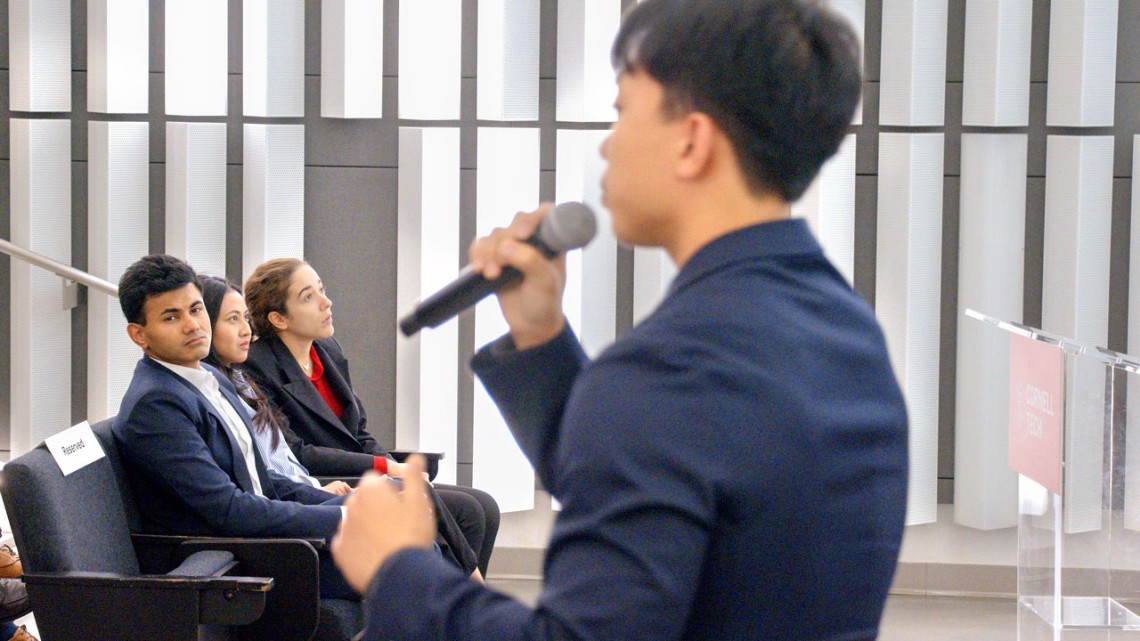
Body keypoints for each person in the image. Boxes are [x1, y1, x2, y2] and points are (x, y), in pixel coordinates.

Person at [331, 1, 909, 640]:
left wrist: (400, 568)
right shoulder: (849, 330)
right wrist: (541, 335)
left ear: (691, 141)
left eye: (622, 111)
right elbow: (656, 498)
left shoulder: (668, 371)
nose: (607, 143)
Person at [111, 254, 358, 601]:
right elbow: (230, 510)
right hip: (238, 562)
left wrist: (350, 508)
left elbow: (263, 480)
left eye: (196, 310)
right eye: (172, 317)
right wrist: (343, 521)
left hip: (270, 538)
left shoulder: (211, 375)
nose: (193, 325)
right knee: (402, 560)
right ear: (139, 334)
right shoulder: (155, 404)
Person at [198, 275, 478, 575]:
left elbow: (356, 431)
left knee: (475, 509)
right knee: (415, 507)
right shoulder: (252, 367)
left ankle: (467, 597)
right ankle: (469, 594)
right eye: (308, 296)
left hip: (312, 484)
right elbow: (286, 461)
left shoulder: (324, 352)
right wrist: (374, 474)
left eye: (322, 289)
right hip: (318, 481)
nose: (326, 302)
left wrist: (388, 464)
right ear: (278, 318)